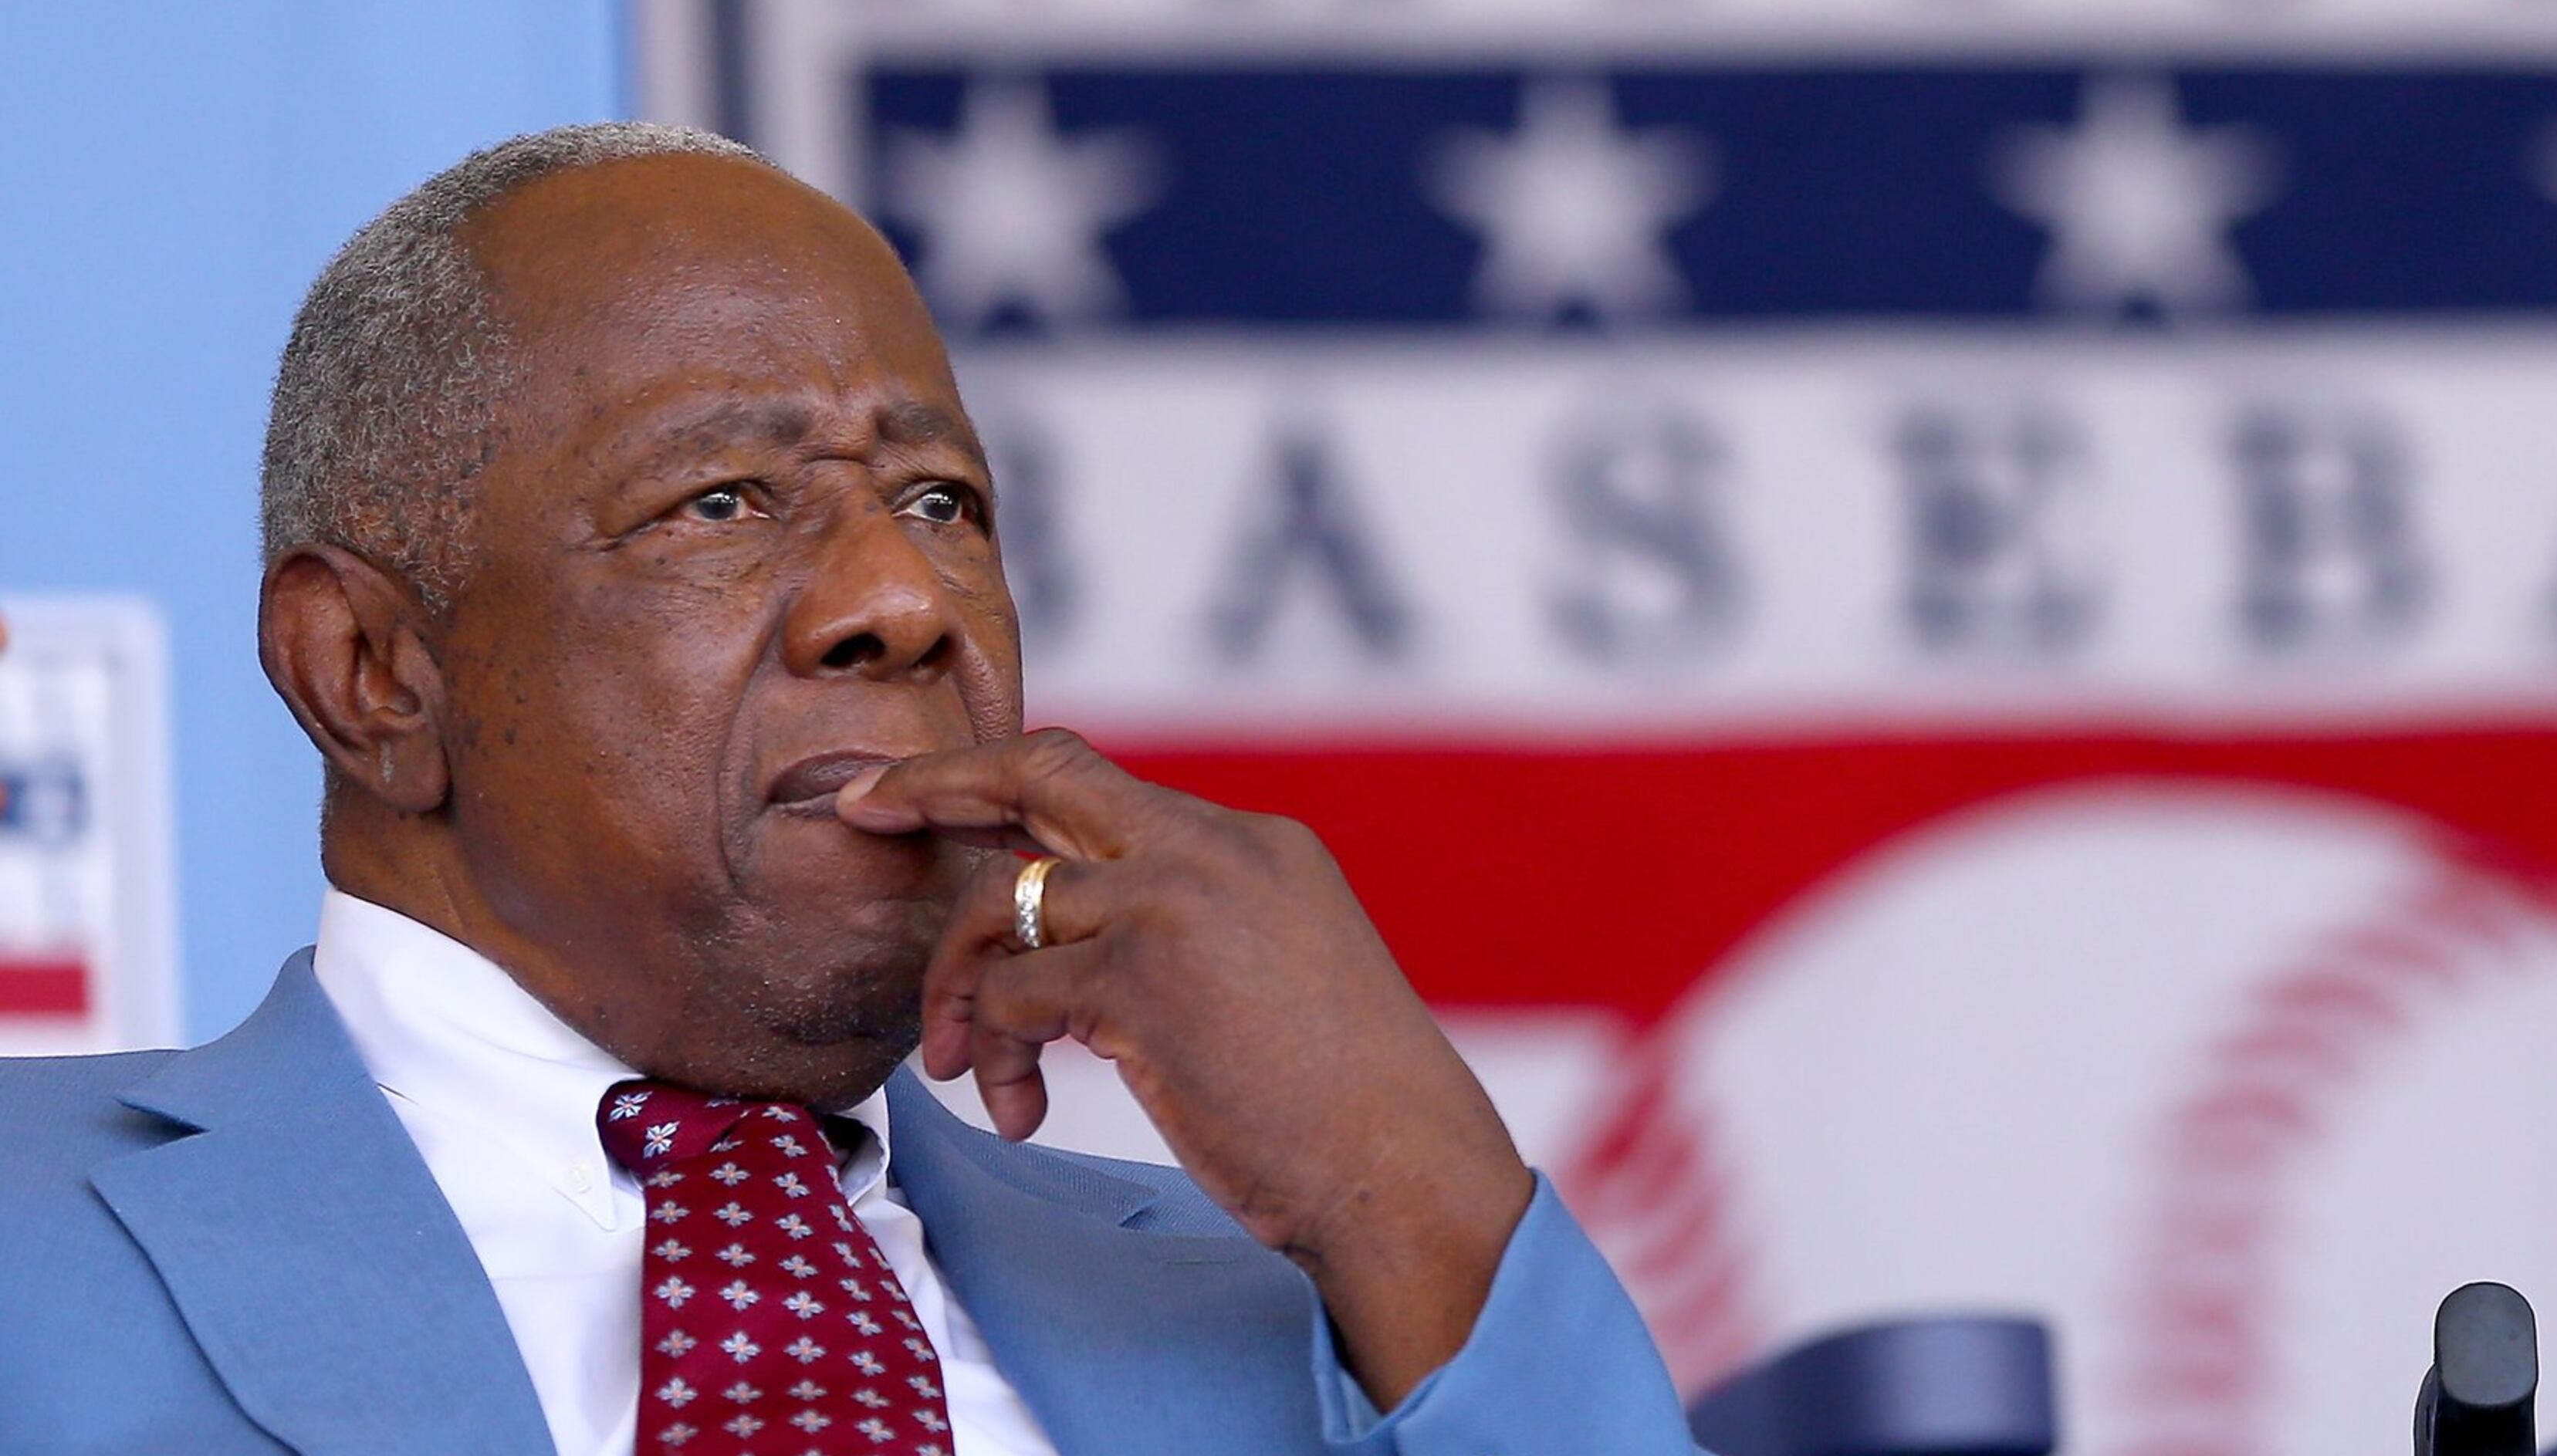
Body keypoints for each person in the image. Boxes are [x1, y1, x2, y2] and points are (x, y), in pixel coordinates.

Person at [0, 125, 1701, 1454]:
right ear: (371, 672)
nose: (901, 597)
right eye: (724, 502)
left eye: (945, 503)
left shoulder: (1309, 1303)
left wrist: (1404, 1172)